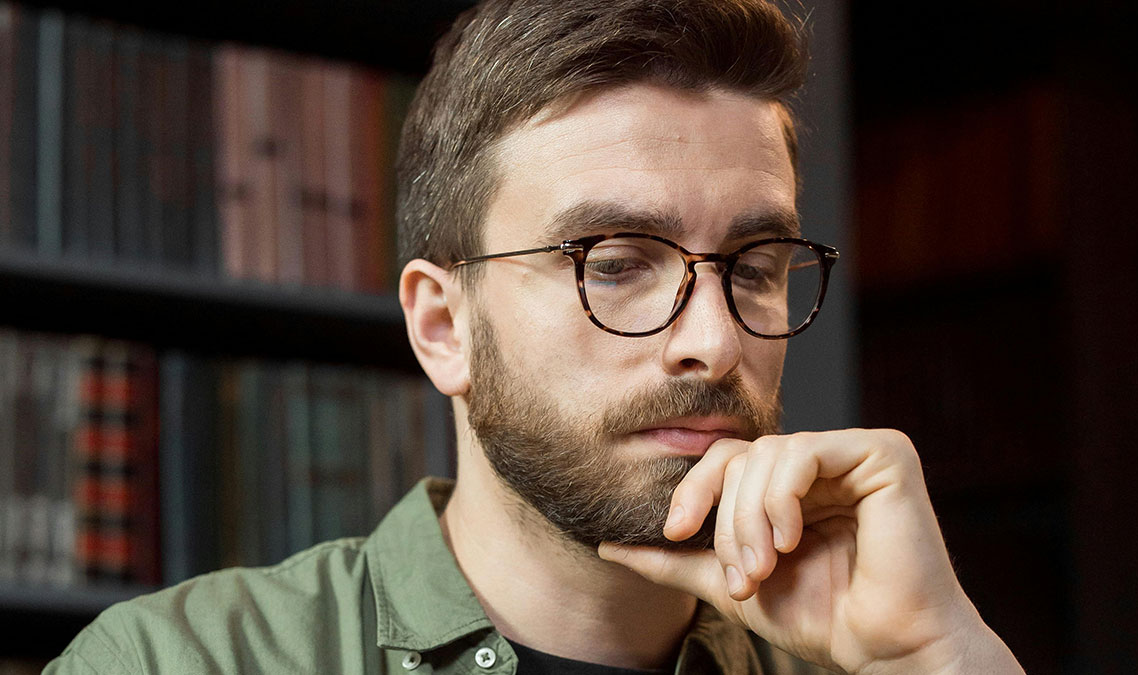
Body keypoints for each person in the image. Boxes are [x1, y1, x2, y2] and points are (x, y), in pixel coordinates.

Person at [47, 0, 1024, 673]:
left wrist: (939, 659)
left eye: (756, 268)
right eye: (616, 264)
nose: (715, 342)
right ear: (444, 327)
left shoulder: (875, 660)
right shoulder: (174, 663)